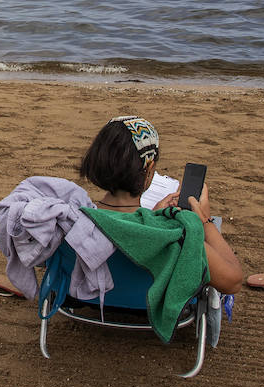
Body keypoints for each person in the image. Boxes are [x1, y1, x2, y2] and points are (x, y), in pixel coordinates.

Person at [78, 115, 243, 294]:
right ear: (149, 170)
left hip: (92, 301)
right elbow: (233, 282)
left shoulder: (74, 221)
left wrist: (153, 214)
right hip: (145, 309)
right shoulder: (170, 234)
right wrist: (204, 222)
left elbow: (125, 227)